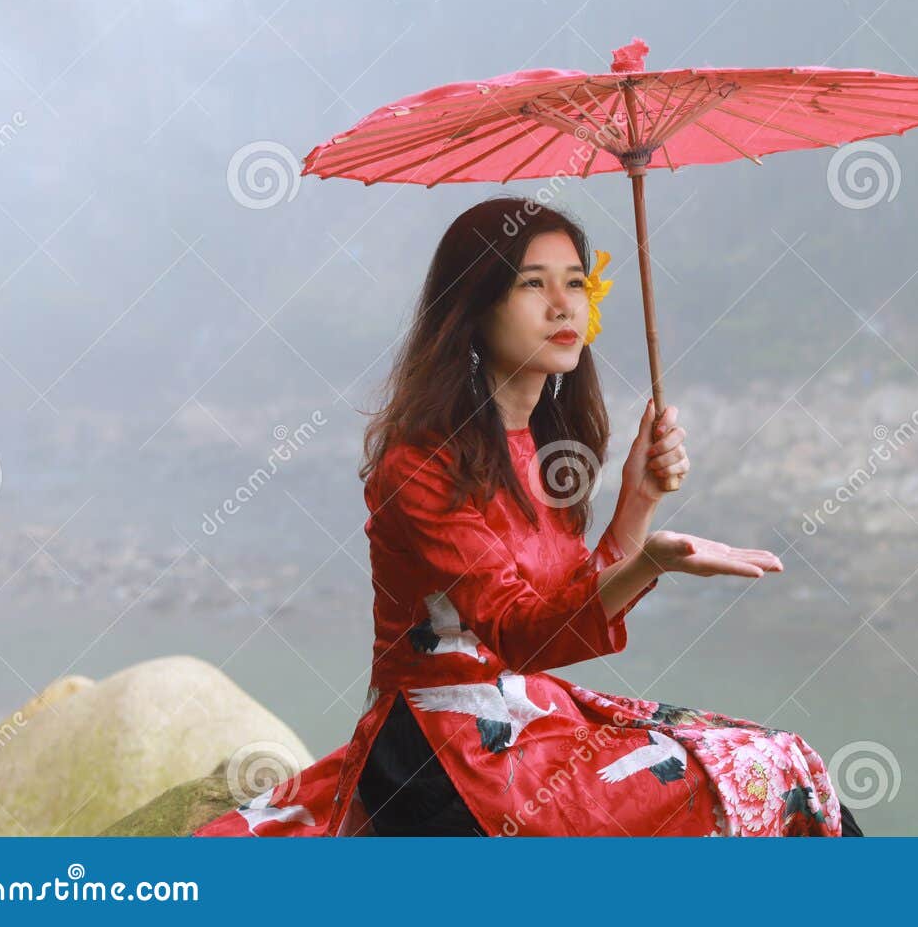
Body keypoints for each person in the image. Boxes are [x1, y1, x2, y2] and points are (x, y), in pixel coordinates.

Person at [194, 195, 861, 837]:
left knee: (787, 756)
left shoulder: (543, 448)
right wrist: (652, 560)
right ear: (474, 309)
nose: (564, 303)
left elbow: (567, 607)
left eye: (576, 281)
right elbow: (524, 634)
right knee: (758, 774)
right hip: (442, 757)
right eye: (532, 284)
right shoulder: (421, 463)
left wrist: (639, 497)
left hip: (529, 723)